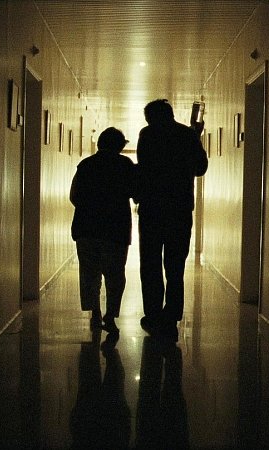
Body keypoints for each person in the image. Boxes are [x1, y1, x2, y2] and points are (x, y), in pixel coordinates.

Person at [135, 99, 208, 341]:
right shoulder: (187, 135)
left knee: (151, 264)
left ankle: (153, 314)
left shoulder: (147, 135)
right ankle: (172, 315)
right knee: (175, 266)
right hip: (179, 209)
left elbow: (144, 168)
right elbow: (200, 168)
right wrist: (196, 137)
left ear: (152, 118)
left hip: (152, 209)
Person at [70, 127, 135, 333]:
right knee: (115, 274)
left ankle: (95, 312)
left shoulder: (85, 165)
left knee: (90, 273)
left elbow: (74, 196)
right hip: (116, 229)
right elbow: (135, 193)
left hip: (86, 228)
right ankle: (111, 315)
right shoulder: (125, 165)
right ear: (119, 146)